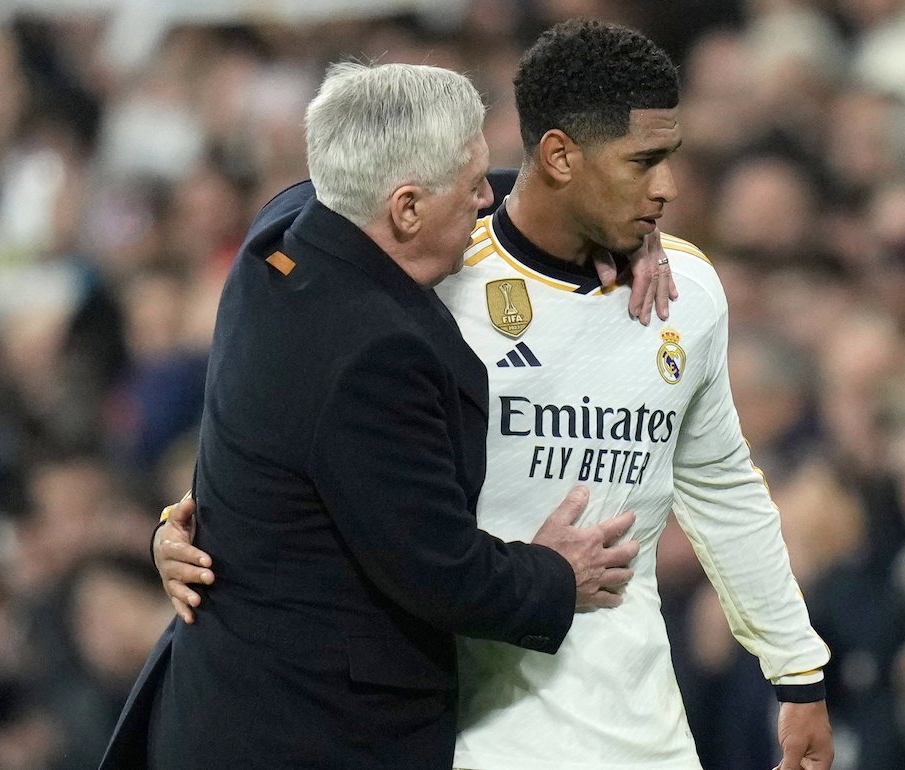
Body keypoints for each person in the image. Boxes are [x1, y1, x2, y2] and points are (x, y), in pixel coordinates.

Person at [155, 20, 835, 770]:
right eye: (643, 163)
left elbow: (722, 482)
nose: (668, 187)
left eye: (668, 159)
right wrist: (210, 528)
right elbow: (382, 511)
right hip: (453, 727)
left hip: (638, 732)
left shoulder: (687, 289)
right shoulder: (410, 291)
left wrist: (796, 669)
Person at [100, 62, 646, 770]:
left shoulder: (282, 229)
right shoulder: (371, 352)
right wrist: (557, 576)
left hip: (218, 701)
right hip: (303, 738)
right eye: (472, 185)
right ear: (407, 209)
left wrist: (590, 214)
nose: (488, 198)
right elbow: (438, 570)